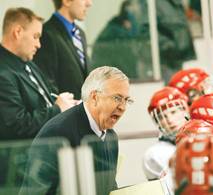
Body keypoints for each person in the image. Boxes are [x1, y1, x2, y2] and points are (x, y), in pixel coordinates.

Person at [20, 66, 132, 195]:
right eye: (117, 98)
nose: (123, 107)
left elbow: (108, 188)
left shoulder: (111, 136)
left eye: (127, 100)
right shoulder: (57, 133)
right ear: (95, 97)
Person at [0, 7, 76, 140]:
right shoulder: (3, 73)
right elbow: (18, 125)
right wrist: (57, 109)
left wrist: (68, 105)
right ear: (17, 32)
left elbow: (48, 97)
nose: (38, 45)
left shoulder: (28, 63)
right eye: (35, 37)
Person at [33, 0, 92, 99]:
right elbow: (47, 85)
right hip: (64, 112)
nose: (89, 3)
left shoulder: (80, 34)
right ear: (67, 1)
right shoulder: (46, 34)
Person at [143, 86, 189, 180]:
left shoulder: (207, 134)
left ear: (185, 111)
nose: (169, 120)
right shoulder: (156, 154)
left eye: (173, 112)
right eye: (161, 117)